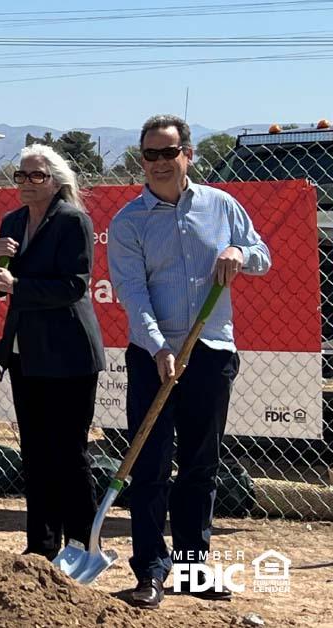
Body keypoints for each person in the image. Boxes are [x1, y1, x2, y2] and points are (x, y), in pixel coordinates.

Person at [109, 114, 271, 609]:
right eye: (150, 154)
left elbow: (262, 254)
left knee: (201, 464)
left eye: (168, 152)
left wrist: (239, 251)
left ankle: (192, 569)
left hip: (211, 350)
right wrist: (158, 345)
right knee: (150, 463)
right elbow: (132, 293)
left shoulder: (222, 206)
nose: (159, 163)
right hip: (153, 354)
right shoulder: (128, 222)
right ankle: (150, 572)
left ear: (188, 155)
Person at [0, 144, 105, 559]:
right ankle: (41, 545)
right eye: (21, 175)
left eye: (36, 176)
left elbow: (74, 285)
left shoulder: (73, 220)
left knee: (68, 451)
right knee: (34, 452)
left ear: (56, 181)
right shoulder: (12, 221)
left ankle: (84, 542)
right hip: (25, 353)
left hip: (68, 353)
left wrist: (18, 286)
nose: (27, 184)